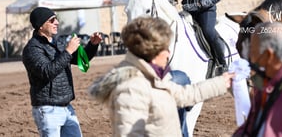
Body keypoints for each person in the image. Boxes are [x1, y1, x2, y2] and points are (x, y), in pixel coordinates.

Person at [88, 16, 234, 137]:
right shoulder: (130, 89)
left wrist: (223, 81)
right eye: (164, 48)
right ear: (151, 51)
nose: (168, 53)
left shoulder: (153, 77)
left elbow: (184, 94)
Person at [22, 7, 102, 137]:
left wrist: (92, 45)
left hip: (67, 107)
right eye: (52, 20)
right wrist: (68, 51)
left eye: (56, 19)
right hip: (47, 109)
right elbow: (46, 72)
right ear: (40, 26)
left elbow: (80, 61)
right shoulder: (32, 49)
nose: (57, 22)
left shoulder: (57, 43)